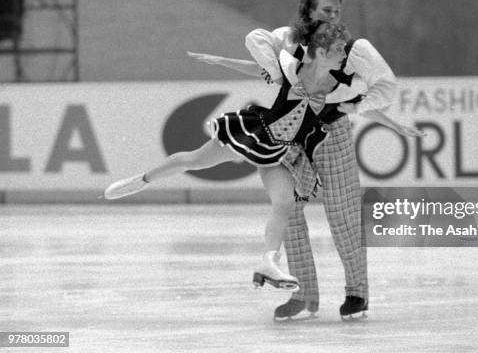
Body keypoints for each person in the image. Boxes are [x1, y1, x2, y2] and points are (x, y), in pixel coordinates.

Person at [105, 21, 419, 298]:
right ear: (320, 52)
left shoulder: (338, 89)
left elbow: (367, 107)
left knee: (283, 204)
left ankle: (269, 263)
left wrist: (395, 126)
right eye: (338, 49)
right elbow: (257, 66)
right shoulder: (290, 71)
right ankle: (141, 180)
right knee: (193, 160)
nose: (344, 55)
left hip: (279, 154)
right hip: (255, 135)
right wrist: (221, 61)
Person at [196, 0, 402, 320]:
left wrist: (353, 106)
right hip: (294, 140)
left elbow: (385, 85)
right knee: (289, 211)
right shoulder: (287, 40)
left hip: (332, 135)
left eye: (337, 11)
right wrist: (276, 70)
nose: (333, 16)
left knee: (343, 216)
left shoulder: (351, 48)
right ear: (308, 10)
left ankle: (357, 293)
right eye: (326, 10)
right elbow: (257, 43)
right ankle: (304, 296)